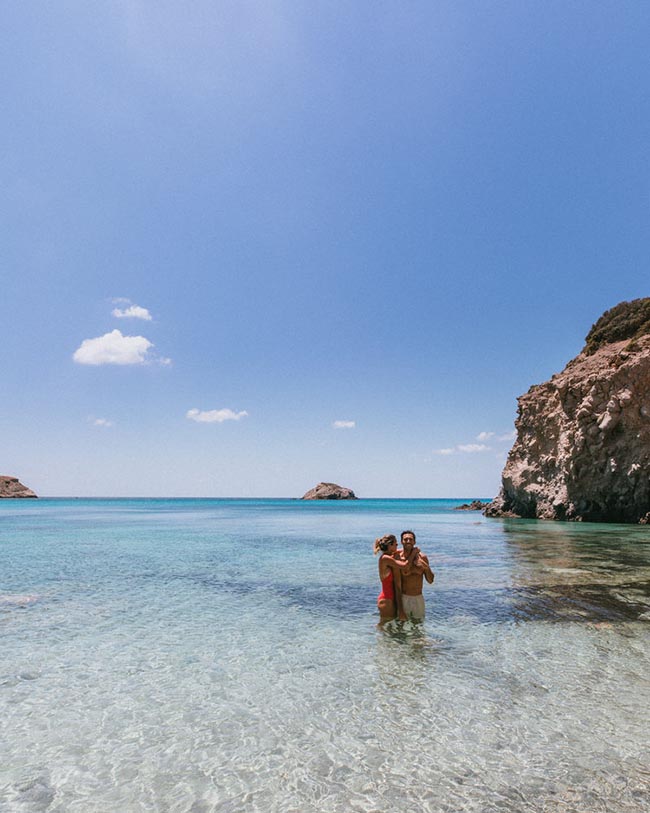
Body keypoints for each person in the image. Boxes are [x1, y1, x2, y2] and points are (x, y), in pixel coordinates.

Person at [373, 534, 420, 624]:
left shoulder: (388, 556)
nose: (397, 546)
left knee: (387, 627)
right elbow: (405, 566)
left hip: (389, 599)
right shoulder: (385, 559)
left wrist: (410, 549)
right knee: (384, 626)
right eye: (396, 544)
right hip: (387, 600)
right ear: (390, 545)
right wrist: (413, 553)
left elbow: (399, 551)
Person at [395, 530, 434, 621]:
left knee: (419, 626)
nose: (408, 541)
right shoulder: (398, 558)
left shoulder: (422, 558)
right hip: (404, 598)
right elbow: (397, 586)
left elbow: (430, 580)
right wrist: (400, 609)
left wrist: (426, 567)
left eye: (410, 539)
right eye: (405, 539)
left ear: (414, 542)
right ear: (401, 542)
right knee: (401, 626)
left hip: (418, 598)